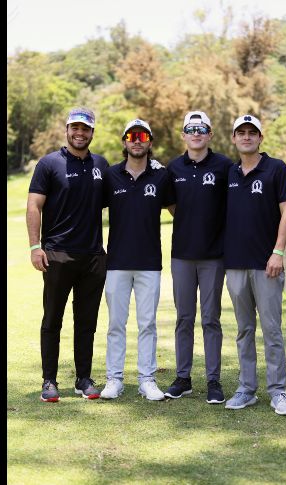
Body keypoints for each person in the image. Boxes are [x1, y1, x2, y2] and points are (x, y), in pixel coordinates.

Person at [26, 107, 109, 402]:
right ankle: (49, 381)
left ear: (92, 133)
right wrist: (36, 247)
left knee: (87, 322)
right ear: (67, 130)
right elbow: (34, 205)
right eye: (75, 127)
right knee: (53, 320)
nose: (80, 133)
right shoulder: (49, 164)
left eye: (85, 129)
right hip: (57, 254)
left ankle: (83, 378)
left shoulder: (101, 164)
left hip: (94, 257)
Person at [223, 114, 286, 416]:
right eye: (241, 132)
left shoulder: (275, 168)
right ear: (234, 139)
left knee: (271, 330)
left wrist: (278, 252)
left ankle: (278, 391)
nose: (247, 137)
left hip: (267, 264)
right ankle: (246, 389)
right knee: (244, 330)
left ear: (260, 138)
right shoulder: (229, 173)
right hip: (235, 264)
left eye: (253, 132)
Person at [99, 119, 172, 401]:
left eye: (143, 136)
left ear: (150, 142)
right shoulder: (110, 175)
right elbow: (91, 208)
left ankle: (147, 380)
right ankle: (114, 379)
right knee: (116, 323)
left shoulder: (161, 177)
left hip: (150, 263)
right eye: (132, 135)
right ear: (125, 141)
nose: (137, 140)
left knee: (148, 324)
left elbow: (178, 209)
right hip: (116, 261)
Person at [163, 111, 233, 404]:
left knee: (210, 319)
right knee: (184, 318)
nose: (196, 133)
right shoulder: (173, 167)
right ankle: (183, 378)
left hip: (214, 256)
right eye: (190, 129)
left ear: (209, 134)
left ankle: (213, 381)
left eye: (201, 128)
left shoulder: (224, 166)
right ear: (183, 135)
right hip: (182, 255)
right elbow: (170, 204)